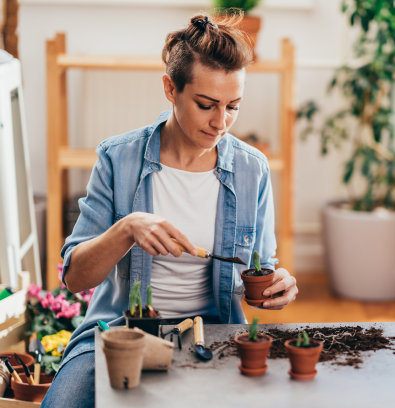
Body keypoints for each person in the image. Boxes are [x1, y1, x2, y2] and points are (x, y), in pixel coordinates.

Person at [41, 12, 298, 407]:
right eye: (206, 104)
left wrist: (277, 285)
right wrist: (127, 229)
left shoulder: (251, 169)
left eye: (234, 106)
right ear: (170, 89)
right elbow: (75, 279)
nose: (221, 123)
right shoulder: (118, 158)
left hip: (216, 335)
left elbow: (260, 271)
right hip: (119, 333)